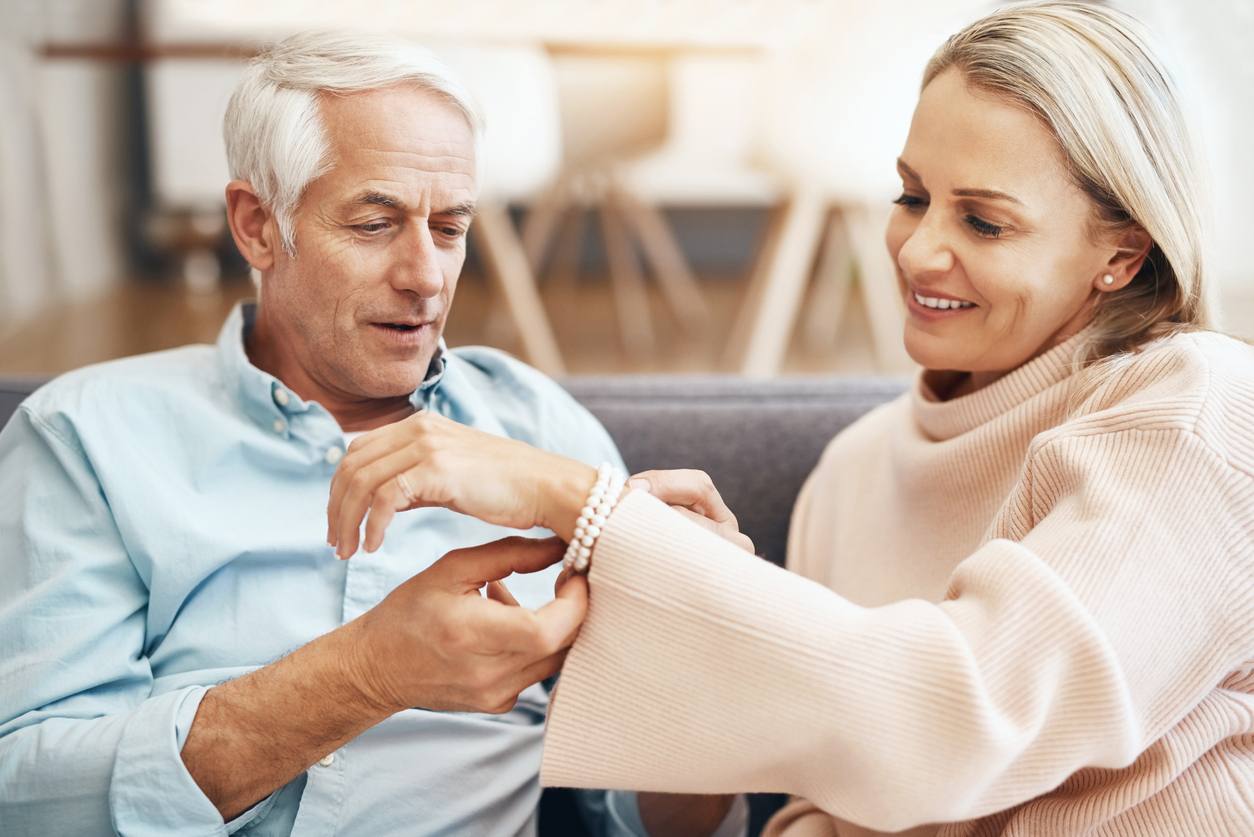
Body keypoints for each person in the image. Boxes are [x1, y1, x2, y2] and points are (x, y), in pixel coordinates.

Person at [325, 3, 1254, 835]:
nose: (920, 248)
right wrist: (709, 609)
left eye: (984, 223)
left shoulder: (1187, 410)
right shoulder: (854, 471)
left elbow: (959, 720)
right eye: (912, 197)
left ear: (1121, 256)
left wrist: (580, 501)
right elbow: (825, 805)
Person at [0, 30, 747, 837]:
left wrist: (703, 647)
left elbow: (641, 815)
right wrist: (363, 674)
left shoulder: (541, 431)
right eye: (374, 223)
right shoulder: (86, 438)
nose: (426, 276)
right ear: (257, 226)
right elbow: (30, 798)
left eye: (451, 229)